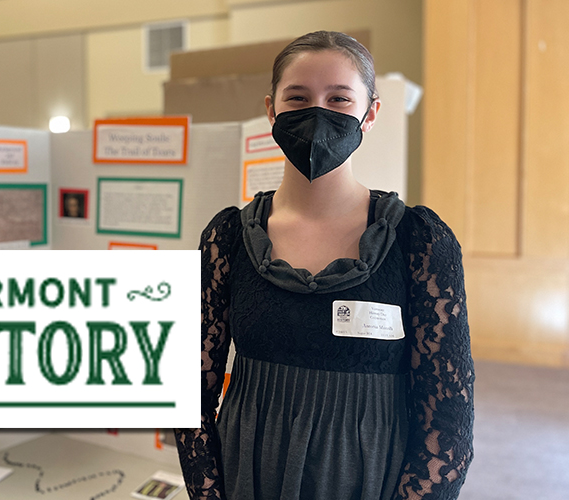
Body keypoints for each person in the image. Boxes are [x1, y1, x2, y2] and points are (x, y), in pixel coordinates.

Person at [174, 31, 474, 500]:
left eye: (339, 97)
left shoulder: (419, 241)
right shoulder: (228, 237)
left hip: (369, 479)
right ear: (272, 109)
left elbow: (448, 420)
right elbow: (192, 395)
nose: (318, 113)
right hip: (249, 474)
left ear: (369, 113)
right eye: (299, 97)